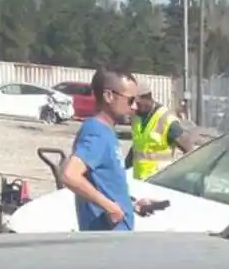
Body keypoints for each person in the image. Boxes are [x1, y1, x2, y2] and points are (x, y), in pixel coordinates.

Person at [59, 67, 157, 231]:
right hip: (106, 241)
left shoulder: (106, 132)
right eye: (130, 100)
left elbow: (104, 183)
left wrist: (130, 204)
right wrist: (110, 207)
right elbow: (70, 176)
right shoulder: (96, 132)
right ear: (109, 96)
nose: (134, 107)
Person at [125, 85, 200, 180]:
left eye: (137, 103)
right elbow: (137, 147)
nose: (134, 107)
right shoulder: (137, 117)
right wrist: (124, 168)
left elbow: (189, 150)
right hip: (140, 181)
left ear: (147, 99)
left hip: (159, 183)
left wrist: (183, 177)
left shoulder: (166, 119)